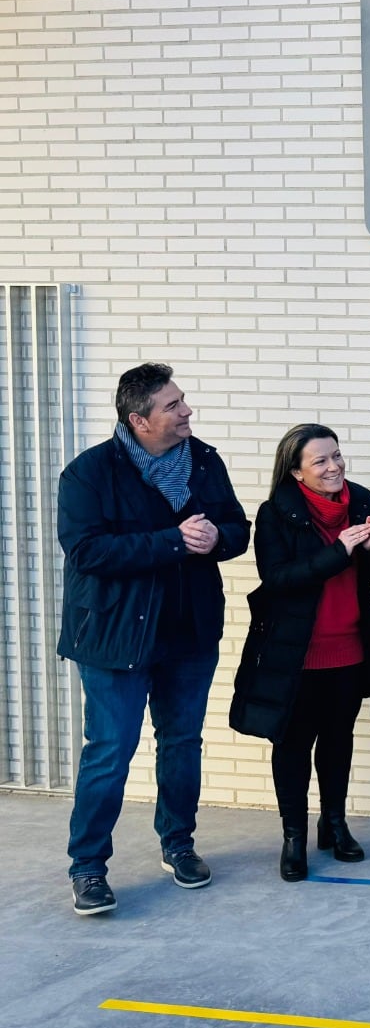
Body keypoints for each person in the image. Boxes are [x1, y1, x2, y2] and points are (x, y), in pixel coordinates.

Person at [58, 363, 250, 915]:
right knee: (110, 751)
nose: (187, 411)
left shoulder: (205, 459)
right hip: (115, 637)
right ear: (140, 419)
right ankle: (88, 868)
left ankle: (179, 844)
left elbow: (237, 528)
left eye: (183, 400)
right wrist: (172, 542)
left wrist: (218, 537)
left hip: (188, 632)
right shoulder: (88, 474)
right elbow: (88, 552)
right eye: (173, 405)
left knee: (183, 743)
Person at [229, 424, 370, 881]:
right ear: (297, 472)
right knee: (291, 745)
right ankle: (293, 836)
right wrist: (338, 553)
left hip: (349, 648)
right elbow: (279, 579)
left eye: (337, 456)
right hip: (296, 655)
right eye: (321, 461)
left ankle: (335, 823)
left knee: (338, 741)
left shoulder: (361, 501)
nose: (334, 467)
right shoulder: (275, 513)